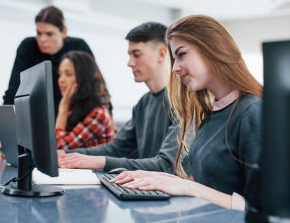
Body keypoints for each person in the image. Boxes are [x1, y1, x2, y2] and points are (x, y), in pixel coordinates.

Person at [110, 15, 262, 211]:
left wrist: (188, 187)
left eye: (181, 54)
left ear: (211, 49)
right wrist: (162, 178)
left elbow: (262, 209)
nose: (174, 68)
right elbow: (211, 185)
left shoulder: (252, 111)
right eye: (174, 58)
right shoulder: (212, 113)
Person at [57, 22, 191, 173]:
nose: (130, 63)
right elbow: (117, 148)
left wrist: (100, 162)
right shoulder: (143, 103)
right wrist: (65, 155)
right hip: (148, 187)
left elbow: (166, 165)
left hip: (172, 193)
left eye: (137, 55)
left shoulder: (183, 101)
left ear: (161, 54)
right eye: (130, 55)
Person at [0, 5, 110, 150]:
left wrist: (110, 128)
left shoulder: (79, 47)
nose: (42, 39)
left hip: (73, 121)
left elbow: (97, 85)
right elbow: (14, 92)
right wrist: (5, 137)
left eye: (49, 34)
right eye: (39, 33)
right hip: (41, 122)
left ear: (63, 32)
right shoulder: (28, 46)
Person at [56, 51, 115, 149]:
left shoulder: (98, 113)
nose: (60, 80)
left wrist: (63, 108)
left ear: (83, 78)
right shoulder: (76, 109)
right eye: (60, 74)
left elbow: (60, 148)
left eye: (68, 74)